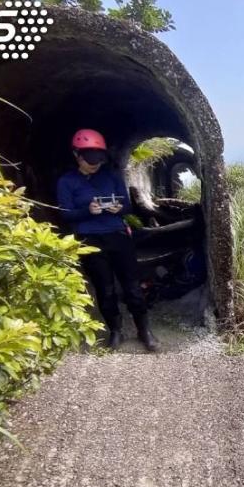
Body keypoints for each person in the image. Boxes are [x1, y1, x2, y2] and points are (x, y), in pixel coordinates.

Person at [56, 129, 158, 351]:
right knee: (106, 289)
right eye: (90, 160)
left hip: (118, 235)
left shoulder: (111, 176)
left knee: (132, 286)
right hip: (90, 239)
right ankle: (116, 331)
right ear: (77, 155)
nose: (95, 164)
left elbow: (129, 206)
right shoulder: (67, 182)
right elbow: (65, 213)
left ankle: (144, 330)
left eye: (98, 160)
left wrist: (120, 208)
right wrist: (87, 210)